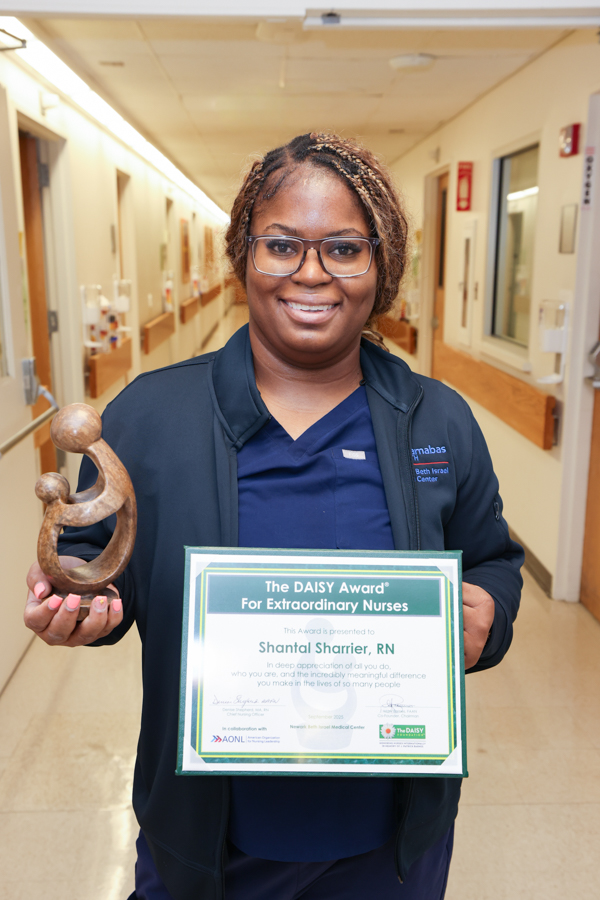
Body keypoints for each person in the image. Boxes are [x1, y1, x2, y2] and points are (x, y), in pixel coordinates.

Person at [25, 132, 523, 900]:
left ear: (380, 263)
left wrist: (490, 612)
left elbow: (492, 556)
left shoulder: (437, 421)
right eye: (283, 244)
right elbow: (97, 560)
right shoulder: (153, 417)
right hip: (205, 837)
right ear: (243, 255)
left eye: (345, 248)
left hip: (388, 843)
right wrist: (79, 604)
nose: (312, 273)